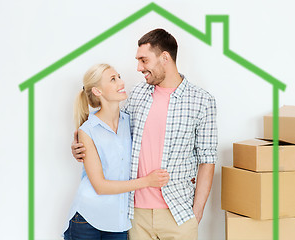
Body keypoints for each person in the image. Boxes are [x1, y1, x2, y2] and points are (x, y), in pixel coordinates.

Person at [71, 29, 218, 240]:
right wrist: (80, 142)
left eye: (144, 60)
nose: (139, 68)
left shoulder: (202, 101)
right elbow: (108, 126)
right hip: (135, 215)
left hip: (178, 214)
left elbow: (207, 160)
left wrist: (197, 212)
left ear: (164, 57)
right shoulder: (137, 94)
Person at [64, 63, 170, 240]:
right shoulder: (87, 130)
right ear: (98, 91)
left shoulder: (130, 122)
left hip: (118, 222)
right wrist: (147, 181)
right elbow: (100, 186)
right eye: (113, 79)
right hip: (87, 219)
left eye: (119, 77)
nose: (121, 82)